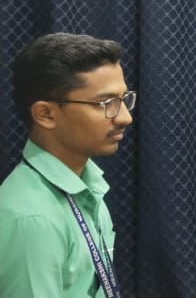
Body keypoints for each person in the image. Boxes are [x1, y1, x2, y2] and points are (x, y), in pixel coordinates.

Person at [0, 33, 135, 298]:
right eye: (106, 103)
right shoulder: (31, 220)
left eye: (124, 99)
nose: (125, 117)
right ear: (45, 114)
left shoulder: (87, 186)